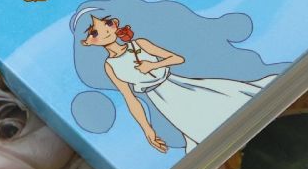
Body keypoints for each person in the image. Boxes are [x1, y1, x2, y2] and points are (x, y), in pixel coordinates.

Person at [77, 12, 275, 153]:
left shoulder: (139, 44)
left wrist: (153, 65)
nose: (104, 30)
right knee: (199, 129)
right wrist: (148, 130)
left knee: (227, 103)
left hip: (178, 85)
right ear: (88, 41)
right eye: (94, 32)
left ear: (115, 24)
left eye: (107, 23)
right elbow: (129, 98)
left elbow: (177, 59)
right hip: (162, 101)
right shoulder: (110, 65)